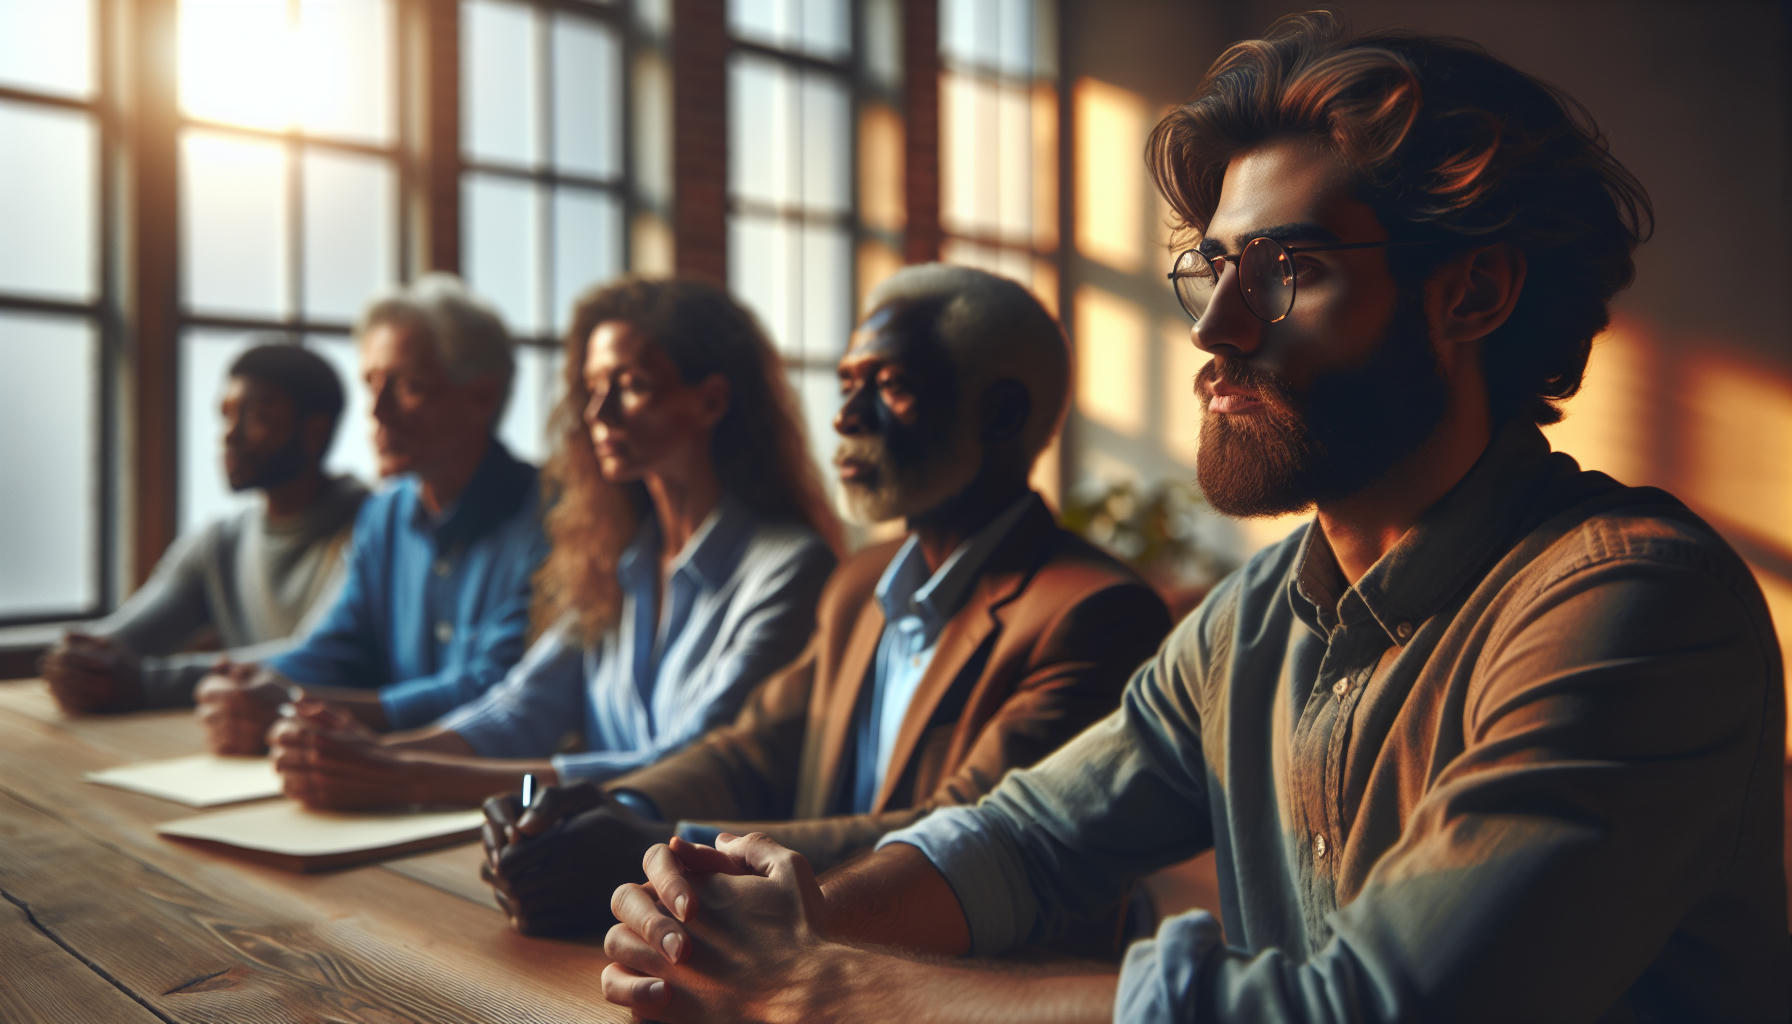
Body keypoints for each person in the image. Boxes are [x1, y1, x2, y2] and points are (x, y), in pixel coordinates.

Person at [599, 15, 1790, 1022]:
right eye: (1210, 267)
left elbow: (1364, 1007)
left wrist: (828, 981)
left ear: (1470, 292)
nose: (1215, 328)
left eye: (1283, 267)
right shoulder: (1252, 618)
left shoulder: (1635, 606)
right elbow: (1025, 837)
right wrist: (785, 915)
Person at [479, 263, 1171, 936]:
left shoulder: (1097, 615)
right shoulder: (857, 586)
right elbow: (752, 749)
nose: (844, 417)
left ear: (1001, 413)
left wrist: (656, 845)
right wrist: (611, 806)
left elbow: (960, 837)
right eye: (846, 384)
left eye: (890, 385)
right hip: (811, 969)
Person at [265, 277, 841, 809]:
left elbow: (684, 764)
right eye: (591, 389)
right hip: (591, 861)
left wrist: (411, 776)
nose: (598, 413)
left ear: (711, 401)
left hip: (702, 885)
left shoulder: (788, 568)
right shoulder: (615, 557)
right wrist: (381, 756)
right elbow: (523, 708)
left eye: (632, 387)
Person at [196, 275, 549, 755]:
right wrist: (252, 685)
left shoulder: (551, 517)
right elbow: (336, 644)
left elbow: (496, 687)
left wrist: (296, 703)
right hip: (381, 774)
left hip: (500, 784)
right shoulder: (384, 514)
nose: (377, 412)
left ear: (482, 397)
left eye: (409, 387)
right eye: (370, 384)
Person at [40, 341, 368, 714]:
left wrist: (148, 684)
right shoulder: (219, 543)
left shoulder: (370, 532)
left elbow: (318, 659)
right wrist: (81, 657)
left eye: (258, 417)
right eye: (226, 414)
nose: (230, 435)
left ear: (315, 432)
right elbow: (133, 632)